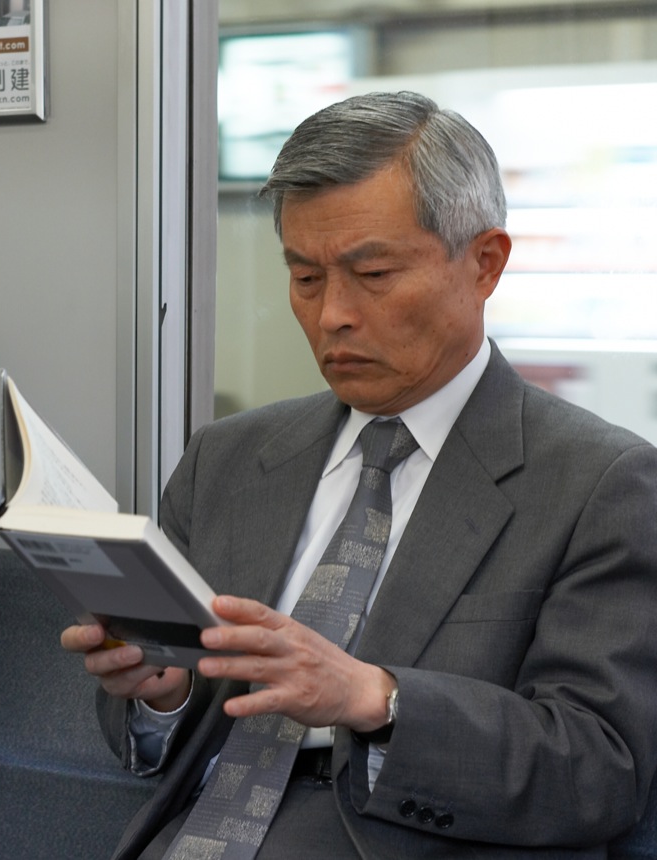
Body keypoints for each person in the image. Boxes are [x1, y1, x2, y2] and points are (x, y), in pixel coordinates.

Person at [63, 91, 657, 858]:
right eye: (305, 279)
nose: (333, 314)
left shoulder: (599, 483)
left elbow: (600, 771)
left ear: (486, 264)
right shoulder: (229, 459)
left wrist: (377, 699)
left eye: (372, 273)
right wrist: (164, 694)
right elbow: (150, 743)